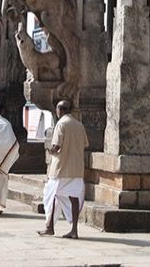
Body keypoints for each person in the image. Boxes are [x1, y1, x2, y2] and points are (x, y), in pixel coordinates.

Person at [38, 100, 89, 239]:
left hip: (61, 168)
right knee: (74, 198)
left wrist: (50, 150)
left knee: (51, 195)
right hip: (77, 168)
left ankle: (50, 227)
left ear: (59, 110)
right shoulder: (79, 125)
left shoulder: (61, 124)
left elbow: (56, 146)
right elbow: (85, 143)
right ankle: (74, 230)